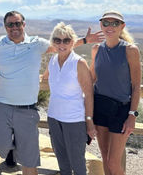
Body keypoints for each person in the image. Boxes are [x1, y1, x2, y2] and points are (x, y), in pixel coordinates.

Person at [0, 11, 103, 175]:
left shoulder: (40, 45)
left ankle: (17, 150)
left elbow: (62, 47)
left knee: (70, 162)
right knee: (4, 147)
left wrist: (84, 40)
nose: (14, 27)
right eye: (10, 24)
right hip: (28, 112)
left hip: (51, 114)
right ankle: (12, 151)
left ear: (24, 24)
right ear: (5, 27)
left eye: (18, 23)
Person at [90, 10, 141, 175]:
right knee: (105, 159)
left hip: (121, 110)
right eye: (106, 23)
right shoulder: (96, 49)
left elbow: (136, 86)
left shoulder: (130, 50)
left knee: (113, 162)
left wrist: (132, 115)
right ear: (101, 25)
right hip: (100, 107)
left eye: (115, 23)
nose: (109, 26)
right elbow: (90, 79)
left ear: (122, 26)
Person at [43, 22, 96, 175]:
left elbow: (89, 93)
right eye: (57, 40)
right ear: (53, 42)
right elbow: (45, 78)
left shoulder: (79, 63)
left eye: (66, 40)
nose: (62, 44)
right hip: (53, 117)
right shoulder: (52, 61)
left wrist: (89, 121)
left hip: (74, 120)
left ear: (73, 42)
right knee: (62, 162)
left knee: (77, 163)